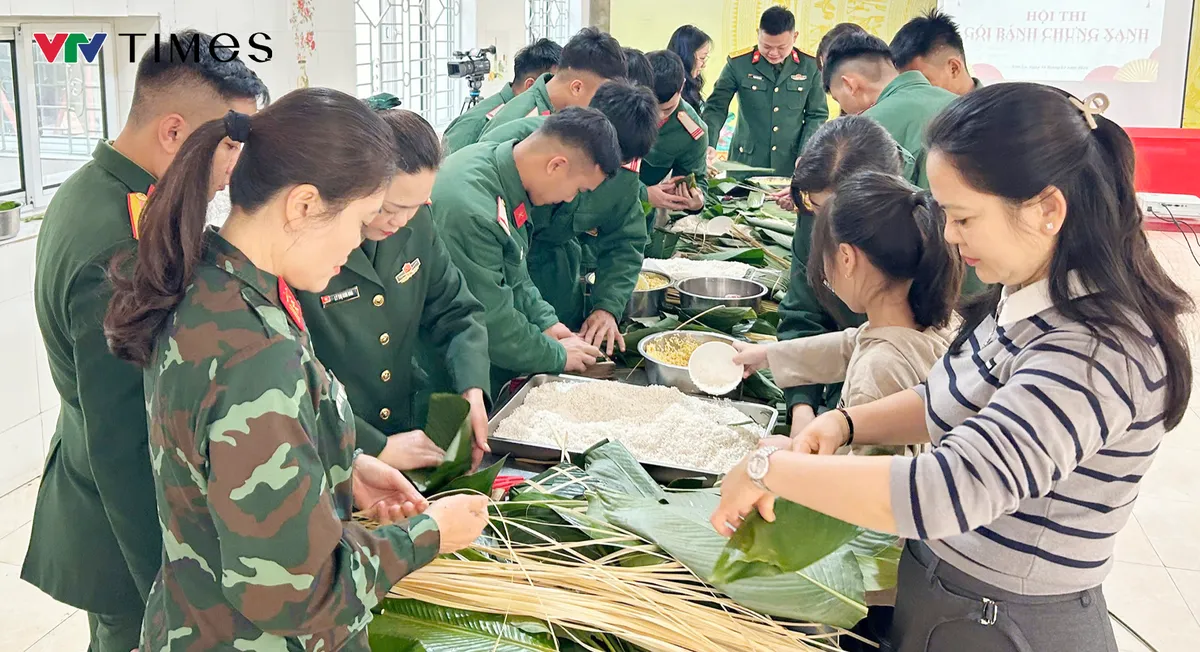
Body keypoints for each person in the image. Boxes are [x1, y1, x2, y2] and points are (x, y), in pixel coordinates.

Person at [712, 83, 1192, 652]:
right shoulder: (1023, 297)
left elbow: (951, 488)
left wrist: (773, 472)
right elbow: (944, 396)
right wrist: (845, 425)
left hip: (1008, 625)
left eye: (963, 217)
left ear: (1047, 210)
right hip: (951, 599)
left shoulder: (1093, 351)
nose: (948, 236)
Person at [103, 87, 491, 651]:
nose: (362, 239)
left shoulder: (216, 284)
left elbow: (229, 456)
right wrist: (429, 533)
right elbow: (294, 594)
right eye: (361, 219)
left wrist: (341, 463)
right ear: (303, 204)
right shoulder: (256, 352)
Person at [24, 30, 267, 652]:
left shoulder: (103, 189)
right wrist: (166, 581)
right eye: (229, 147)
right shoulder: (116, 243)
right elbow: (124, 435)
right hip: (120, 522)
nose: (234, 169)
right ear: (175, 132)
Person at [297, 98, 492, 474]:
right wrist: (372, 445)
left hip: (405, 437)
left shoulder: (417, 224)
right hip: (333, 454)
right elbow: (298, 379)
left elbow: (456, 311)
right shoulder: (311, 250)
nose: (400, 221)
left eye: (416, 205)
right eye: (388, 208)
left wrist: (471, 388)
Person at [735, 170, 960, 457]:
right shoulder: (934, 321)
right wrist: (768, 355)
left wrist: (795, 455)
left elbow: (869, 484)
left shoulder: (878, 372)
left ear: (846, 259)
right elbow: (851, 344)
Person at [429, 108, 620, 394]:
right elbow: (490, 320)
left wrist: (547, 322)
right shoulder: (472, 208)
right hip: (439, 369)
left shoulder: (503, 169)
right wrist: (557, 355)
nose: (570, 199)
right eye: (578, 189)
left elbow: (514, 271)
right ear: (556, 165)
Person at [480, 80, 659, 349]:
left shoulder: (623, 178)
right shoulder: (523, 141)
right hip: (498, 273)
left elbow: (625, 242)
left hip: (557, 279)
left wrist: (607, 307)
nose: (605, 170)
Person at [775, 116, 911, 435]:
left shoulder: (930, 235)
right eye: (819, 208)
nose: (826, 228)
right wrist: (802, 411)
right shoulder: (815, 217)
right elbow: (804, 313)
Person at [702, 6, 827, 177]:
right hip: (745, 163)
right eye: (766, 46)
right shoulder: (739, 64)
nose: (773, 53)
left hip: (790, 165)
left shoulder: (810, 66)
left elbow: (817, 115)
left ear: (795, 37)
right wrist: (709, 143)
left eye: (781, 47)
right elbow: (716, 107)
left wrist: (806, 154)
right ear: (758, 34)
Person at [822, 31, 955, 190]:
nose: (844, 109)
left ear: (850, 85)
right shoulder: (962, 102)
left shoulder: (867, 126)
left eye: (838, 99)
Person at [480, 27, 626, 139]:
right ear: (577, 88)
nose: (603, 105)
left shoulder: (560, 114)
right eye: (601, 94)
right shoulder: (521, 122)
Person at [442, 38, 562, 153]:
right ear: (531, 85)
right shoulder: (475, 122)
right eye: (554, 83)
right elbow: (446, 170)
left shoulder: (530, 117)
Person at [641, 50, 709, 215]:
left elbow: (698, 181)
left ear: (682, 86)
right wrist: (642, 193)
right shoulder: (613, 106)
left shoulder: (691, 132)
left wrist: (695, 202)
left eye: (667, 109)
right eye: (650, 108)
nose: (658, 117)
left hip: (640, 217)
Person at [890, 9, 982, 96]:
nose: (911, 95)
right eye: (902, 86)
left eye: (921, 83)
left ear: (953, 68)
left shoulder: (994, 110)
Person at [667, 24, 713, 111]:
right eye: (702, 58)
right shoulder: (670, 92)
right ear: (687, 56)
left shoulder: (691, 86)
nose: (704, 65)